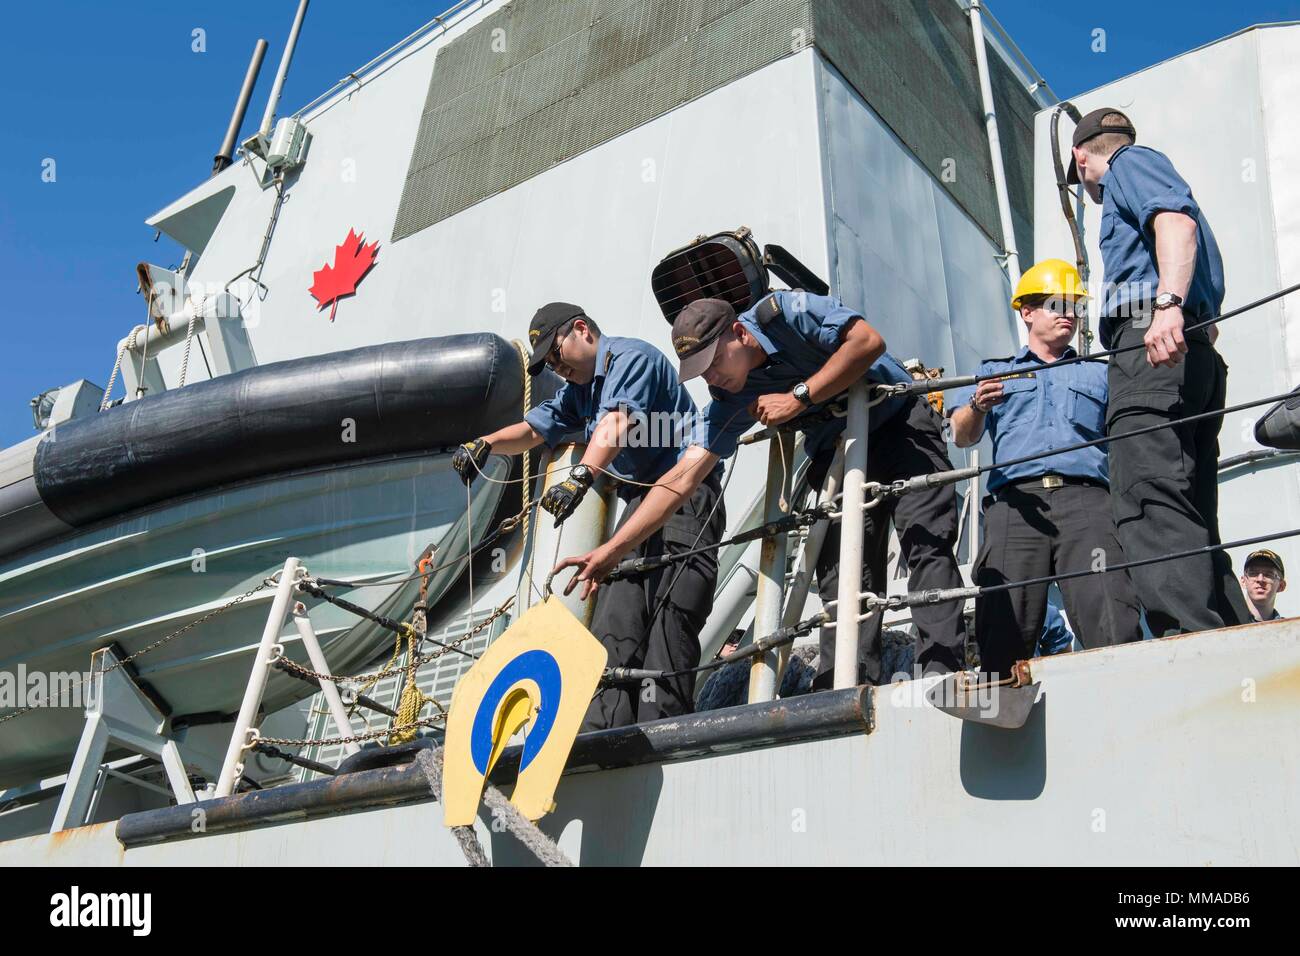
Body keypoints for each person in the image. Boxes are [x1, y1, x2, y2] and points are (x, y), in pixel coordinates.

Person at [552, 292, 968, 686]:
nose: (711, 378)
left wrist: (799, 397)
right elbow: (680, 480)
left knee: (925, 540)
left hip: (901, 424)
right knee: (842, 574)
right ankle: (843, 689)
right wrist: (610, 552)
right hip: (835, 452)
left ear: (739, 333)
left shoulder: (785, 312)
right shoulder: (728, 399)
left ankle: (944, 674)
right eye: (700, 372)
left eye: (713, 363)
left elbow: (867, 341)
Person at [452, 302, 725, 730]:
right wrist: (485, 443)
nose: (556, 367)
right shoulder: (581, 391)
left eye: (556, 354)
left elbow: (616, 423)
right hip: (642, 503)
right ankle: (606, 732)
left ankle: (665, 729)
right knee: (616, 622)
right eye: (548, 364)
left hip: (686, 495)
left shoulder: (630, 358)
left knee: (671, 618)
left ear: (582, 330)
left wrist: (580, 476)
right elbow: (535, 429)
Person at [1068, 107, 1251, 634]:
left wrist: (1168, 303)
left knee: (1146, 492)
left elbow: (1175, 222)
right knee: (1188, 499)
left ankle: (1191, 638)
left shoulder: (1128, 164)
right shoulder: (1144, 166)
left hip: (1152, 342)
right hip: (1187, 348)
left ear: (1082, 158)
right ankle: (1230, 628)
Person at [949, 259, 1142, 676]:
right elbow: (962, 435)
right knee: (1004, 618)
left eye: (1074, 305)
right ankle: (1001, 708)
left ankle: (1122, 691)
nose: (1069, 314)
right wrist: (976, 406)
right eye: (1058, 304)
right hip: (1016, 507)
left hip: (1088, 502)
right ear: (1027, 312)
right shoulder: (993, 372)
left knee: (1109, 606)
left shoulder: (1100, 373)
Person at [1239, 549, 1287, 622]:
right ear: (1243, 581)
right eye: (1253, 573)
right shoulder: (1225, 626)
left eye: (1268, 574)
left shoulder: (1290, 628)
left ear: (1281, 586)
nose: (1260, 579)